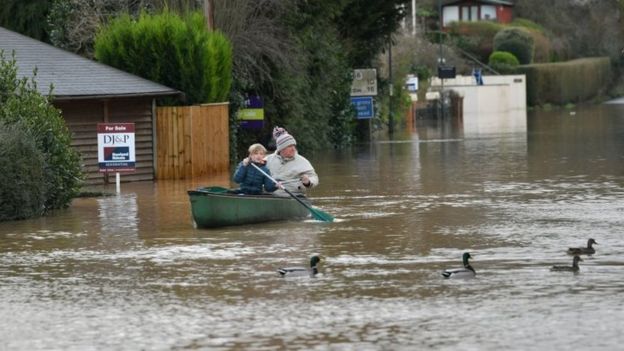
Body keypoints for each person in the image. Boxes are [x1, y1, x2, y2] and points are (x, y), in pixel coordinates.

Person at [265, 126, 318, 197]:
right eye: (289, 146)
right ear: (281, 149)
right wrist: (246, 163)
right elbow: (253, 169)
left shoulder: (302, 161)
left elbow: (314, 177)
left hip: (293, 196)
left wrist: (308, 182)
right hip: (269, 196)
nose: (293, 149)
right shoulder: (267, 159)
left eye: (294, 146)